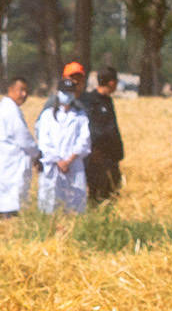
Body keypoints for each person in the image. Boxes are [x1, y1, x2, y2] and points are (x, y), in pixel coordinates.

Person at [34, 67, 94, 217]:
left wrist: (69, 160)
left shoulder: (80, 116)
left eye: (70, 92)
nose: (67, 96)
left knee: (74, 206)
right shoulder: (47, 116)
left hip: (73, 167)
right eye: (64, 92)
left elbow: (84, 141)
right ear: (58, 93)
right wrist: (58, 161)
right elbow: (44, 141)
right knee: (50, 205)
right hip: (52, 166)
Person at [0, 77, 40, 217]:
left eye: (26, 91)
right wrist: (37, 154)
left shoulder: (8, 108)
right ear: (10, 90)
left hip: (8, 166)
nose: (24, 95)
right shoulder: (9, 110)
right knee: (11, 203)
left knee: (9, 200)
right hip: (10, 167)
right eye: (21, 90)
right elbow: (23, 137)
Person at [82, 69, 127, 204]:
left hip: (111, 158)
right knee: (96, 195)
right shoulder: (90, 101)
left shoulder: (108, 101)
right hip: (96, 158)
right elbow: (92, 130)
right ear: (112, 82)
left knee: (112, 194)